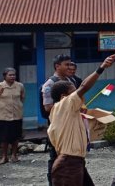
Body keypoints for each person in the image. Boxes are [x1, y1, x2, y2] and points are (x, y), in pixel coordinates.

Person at [48, 54, 115, 186]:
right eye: (73, 93)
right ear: (63, 97)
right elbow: (84, 87)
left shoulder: (62, 111)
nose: (79, 96)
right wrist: (101, 68)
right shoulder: (64, 104)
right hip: (68, 164)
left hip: (74, 162)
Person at [41, 53, 76, 186]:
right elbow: (48, 107)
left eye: (70, 64)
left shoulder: (70, 81)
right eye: (66, 64)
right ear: (57, 66)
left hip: (70, 125)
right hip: (57, 127)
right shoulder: (50, 84)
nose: (69, 67)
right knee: (55, 156)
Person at [0, 68, 25, 164]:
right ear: (5, 76)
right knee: (4, 137)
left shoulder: (20, 86)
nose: (12, 77)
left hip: (16, 115)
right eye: (10, 75)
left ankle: (14, 155)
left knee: (16, 136)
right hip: (4, 116)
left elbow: (22, 98)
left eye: (14, 75)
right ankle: (4, 156)